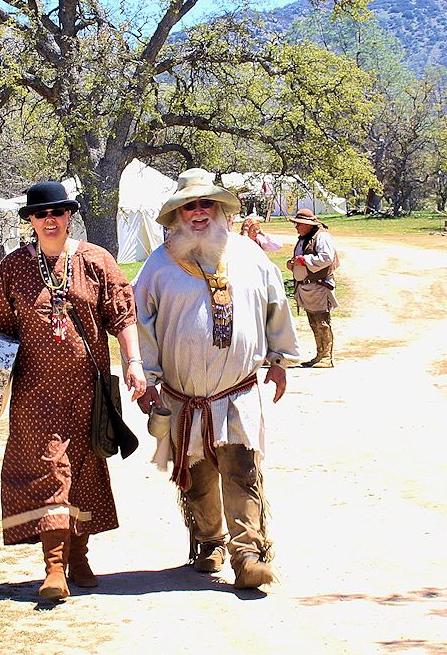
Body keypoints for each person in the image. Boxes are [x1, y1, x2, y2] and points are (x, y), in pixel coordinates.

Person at [0, 180, 147, 602]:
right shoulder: (13, 268)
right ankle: (55, 567)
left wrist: (134, 363)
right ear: (30, 220)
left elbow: (122, 315)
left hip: (89, 392)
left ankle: (79, 557)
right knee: (51, 470)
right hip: (36, 395)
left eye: (57, 213)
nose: (50, 220)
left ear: (68, 217)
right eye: (41, 214)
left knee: (82, 471)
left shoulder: (96, 261)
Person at [134, 168, 300, 589]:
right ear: (176, 214)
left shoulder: (249, 255)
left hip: (237, 392)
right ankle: (209, 542)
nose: (199, 212)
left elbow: (276, 305)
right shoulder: (157, 266)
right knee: (197, 474)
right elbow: (141, 324)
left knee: (242, 467)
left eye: (206, 203)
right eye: (189, 205)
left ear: (221, 208)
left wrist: (279, 359)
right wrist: (147, 379)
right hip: (183, 396)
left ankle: (249, 555)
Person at [286, 208, 339, 368]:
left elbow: (326, 257)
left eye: (299, 224)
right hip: (307, 288)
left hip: (319, 287)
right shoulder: (304, 239)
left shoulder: (321, 237)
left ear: (308, 225)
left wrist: (304, 260)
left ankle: (326, 357)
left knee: (322, 322)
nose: (296, 227)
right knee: (313, 322)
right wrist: (292, 264)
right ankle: (320, 354)